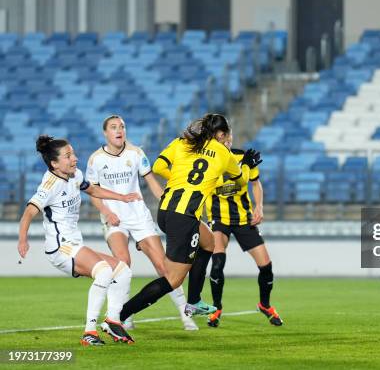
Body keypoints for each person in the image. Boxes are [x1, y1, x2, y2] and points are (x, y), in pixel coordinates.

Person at [118, 114, 262, 332]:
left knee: (209, 242)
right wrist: (248, 166)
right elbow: (240, 180)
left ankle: (194, 300)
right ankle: (118, 316)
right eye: (228, 134)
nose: (230, 139)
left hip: (166, 210)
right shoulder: (223, 152)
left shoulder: (183, 141)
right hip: (184, 217)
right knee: (172, 280)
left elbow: (157, 167)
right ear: (221, 134)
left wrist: (180, 178)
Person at [18, 135, 140, 345]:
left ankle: (112, 320)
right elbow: (29, 212)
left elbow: (92, 189)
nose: (74, 158)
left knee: (122, 270)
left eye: (73, 153)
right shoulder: (49, 184)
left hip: (75, 244)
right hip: (60, 247)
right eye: (68, 156)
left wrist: (121, 197)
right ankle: (89, 332)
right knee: (103, 271)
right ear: (55, 164)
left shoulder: (75, 175)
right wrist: (23, 240)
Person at [86, 115, 197, 331]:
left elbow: (152, 183)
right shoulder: (96, 159)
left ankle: (185, 314)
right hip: (114, 217)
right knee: (122, 264)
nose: (119, 130)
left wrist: (168, 203)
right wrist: (106, 211)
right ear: (105, 133)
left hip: (138, 215)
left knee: (163, 266)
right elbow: (93, 192)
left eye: (122, 127)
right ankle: (121, 315)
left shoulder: (136, 153)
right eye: (114, 127)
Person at [199, 133, 282, 327]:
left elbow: (255, 183)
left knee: (266, 266)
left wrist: (259, 206)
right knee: (218, 262)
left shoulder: (242, 157)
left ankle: (265, 305)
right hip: (218, 219)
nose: (226, 142)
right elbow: (216, 187)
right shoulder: (207, 161)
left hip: (244, 219)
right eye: (222, 139)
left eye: (228, 138)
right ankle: (216, 307)